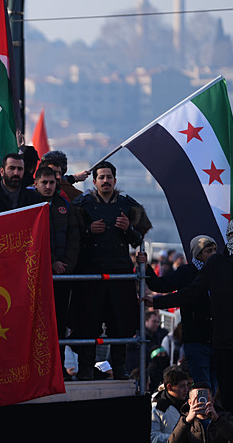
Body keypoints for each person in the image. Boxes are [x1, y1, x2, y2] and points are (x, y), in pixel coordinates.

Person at [151, 218, 233, 432]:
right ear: (227, 237)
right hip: (224, 342)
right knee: (225, 394)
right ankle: (227, 432)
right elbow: (191, 292)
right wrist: (156, 303)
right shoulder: (217, 263)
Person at [71, 160, 152, 380]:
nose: (105, 181)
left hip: (120, 273)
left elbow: (138, 239)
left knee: (121, 321)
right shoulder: (82, 205)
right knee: (87, 322)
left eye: (109, 177)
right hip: (90, 273)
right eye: (101, 177)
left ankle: (119, 367)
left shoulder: (128, 205)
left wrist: (128, 229)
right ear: (94, 181)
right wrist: (89, 231)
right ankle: (86, 368)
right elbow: (72, 237)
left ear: (115, 180)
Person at [142, 235, 217, 389]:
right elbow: (161, 285)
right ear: (198, 254)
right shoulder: (186, 272)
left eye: (215, 250)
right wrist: (146, 267)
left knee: (215, 386)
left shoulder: (220, 273)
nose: (213, 254)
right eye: (209, 251)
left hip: (218, 339)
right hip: (196, 339)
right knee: (203, 385)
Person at [34, 165, 78, 376]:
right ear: (36, 184)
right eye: (45, 182)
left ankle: (58, 368)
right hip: (38, 275)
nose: (49, 186)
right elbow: (33, 238)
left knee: (59, 323)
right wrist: (51, 262)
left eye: (52, 182)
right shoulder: (30, 205)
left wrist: (65, 264)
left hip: (62, 275)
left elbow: (74, 238)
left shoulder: (65, 205)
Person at [168, 381, 233, 443]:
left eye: (205, 398)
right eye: (197, 399)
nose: (201, 402)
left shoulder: (224, 417)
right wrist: (187, 421)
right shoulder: (184, 420)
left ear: (213, 401)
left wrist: (217, 419)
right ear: (190, 402)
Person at [151, 366, 190, 443]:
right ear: (169, 387)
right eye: (182, 386)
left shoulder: (190, 405)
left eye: (187, 385)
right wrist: (177, 438)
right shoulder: (157, 408)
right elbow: (153, 437)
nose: (186, 389)